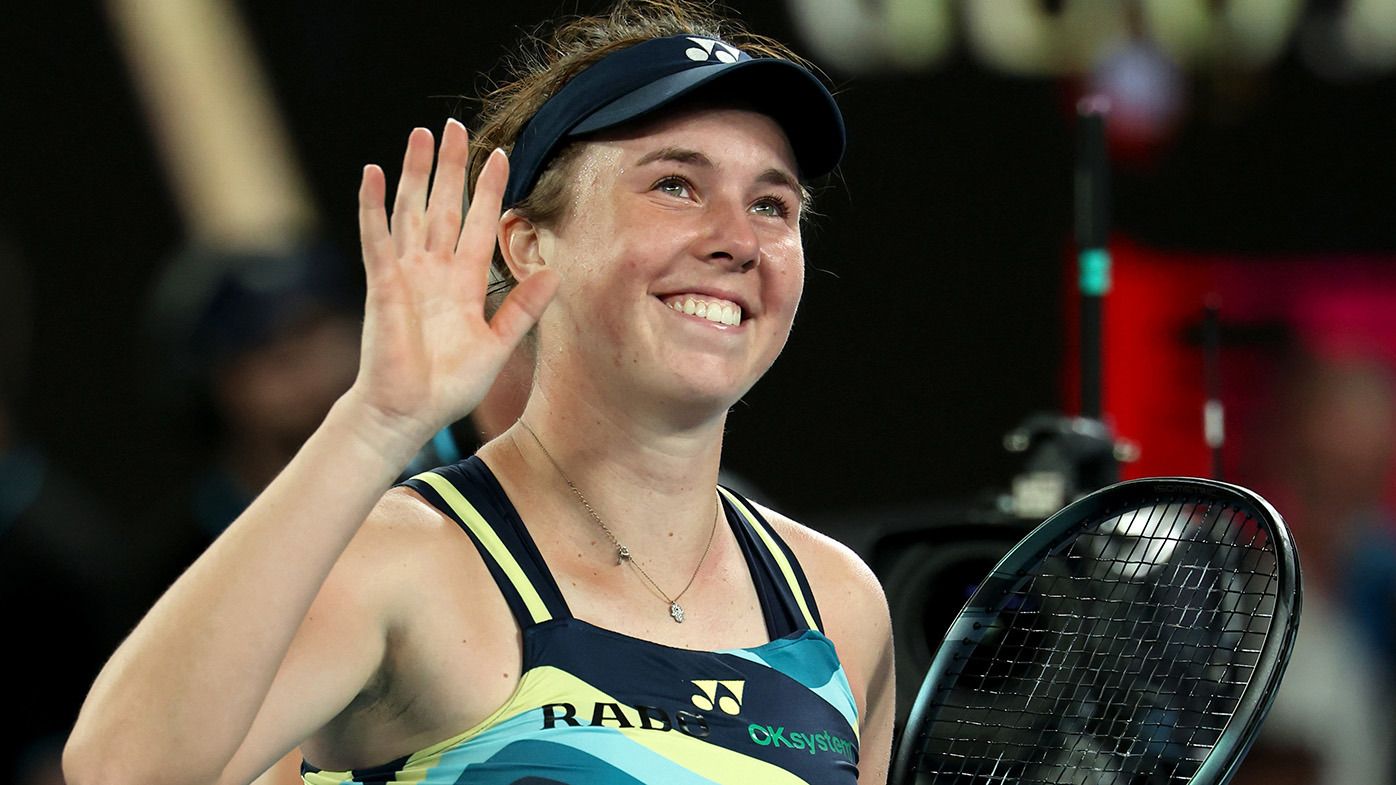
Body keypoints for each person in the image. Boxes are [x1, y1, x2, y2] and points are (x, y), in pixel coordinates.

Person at [63, 2, 895, 784]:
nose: (738, 241)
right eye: (675, 184)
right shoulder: (399, 558)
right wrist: (374, 423)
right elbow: (119, 770)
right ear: (529, 245)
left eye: (771, 203)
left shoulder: (837, 604)